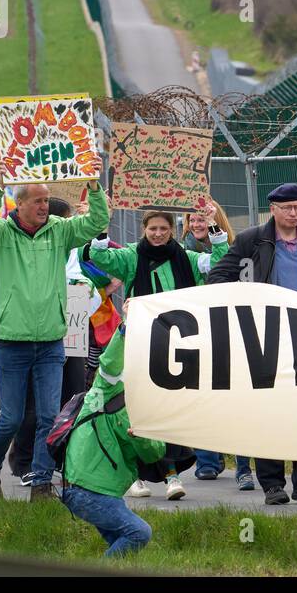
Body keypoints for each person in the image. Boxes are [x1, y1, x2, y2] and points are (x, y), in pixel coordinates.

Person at [0, 175, 109, 500]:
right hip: (11, 340)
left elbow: (98, 220)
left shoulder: (60, 231)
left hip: (50, 340)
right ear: (19, 204)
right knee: (12, 418)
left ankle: (42, 483)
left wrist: (93, 187)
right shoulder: (1, 234)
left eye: (47, 200)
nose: (44, 206)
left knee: (49, 416)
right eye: (37, 201)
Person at [86, 205, 228, 499]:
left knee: (168, 408)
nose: (159, 234)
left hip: (177, 345)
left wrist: (213, 225)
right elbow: (98, 255)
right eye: (153, 229)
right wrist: (103, 222)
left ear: (172, 231)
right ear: (144, 230)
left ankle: (171, 474)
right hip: (138, 343)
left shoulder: (186, 259)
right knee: (135, 409)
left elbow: (218, 262)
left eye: (164, 229)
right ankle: (136, 474)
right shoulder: (130, 256)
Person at [209, 183, 297, 505]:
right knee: (268, 412)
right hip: (265, 337)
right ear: (273, 209)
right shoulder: (252, 240)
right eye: (287, 208)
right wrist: (246, 300)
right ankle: (273, 484)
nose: (294, 214)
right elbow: (218, 276)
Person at [59, 326, 167, 558]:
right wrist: (125, 329)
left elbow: (154, 453)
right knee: (139, 533)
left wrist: (140, 435)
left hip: (97, 490)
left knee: (121, 546)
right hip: (84, 489)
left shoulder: (143, 410)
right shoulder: (104, 389)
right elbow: (108, 363)